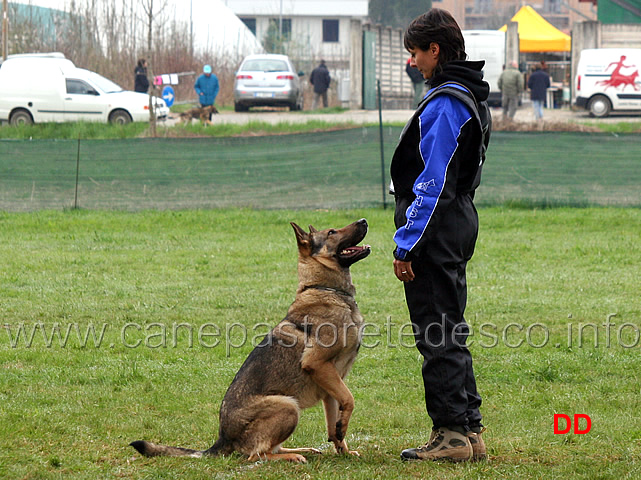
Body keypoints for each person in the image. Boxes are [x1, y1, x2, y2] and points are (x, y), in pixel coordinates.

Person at [390, 8, 491, 463]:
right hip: (457, 222)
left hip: (437, 229)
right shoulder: (470, 93)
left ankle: (450, 434)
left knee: (437, 332)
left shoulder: (447, 102)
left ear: (435, 50)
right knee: (451, 328)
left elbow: (432, 183)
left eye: (416, 52)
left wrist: (406, 244)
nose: (413, 61)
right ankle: (470, 432)